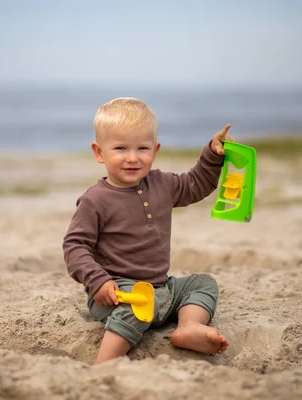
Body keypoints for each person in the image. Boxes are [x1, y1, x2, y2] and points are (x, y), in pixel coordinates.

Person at [63, 97, 232, 365]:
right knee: (135, 309)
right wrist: (98, 281)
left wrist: (211, 156)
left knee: (203, 283)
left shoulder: (162, 184)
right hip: (118, 293)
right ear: (99, 152)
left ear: (155, 150)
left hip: (160, 289)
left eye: (142, 148)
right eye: (120, 148)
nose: (132, 158)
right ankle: (104, 363)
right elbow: (75, 246)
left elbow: (195, 185)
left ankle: (188, 326)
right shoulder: (96, 199)